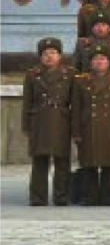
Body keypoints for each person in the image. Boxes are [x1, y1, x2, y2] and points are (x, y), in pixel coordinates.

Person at [71, 50, 110, 206]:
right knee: (88, 162)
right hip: (88, 125)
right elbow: (76, 107)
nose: (99, 62)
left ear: (109, 62)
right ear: (90, 63)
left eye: (103, 59)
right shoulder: (81, 81)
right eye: (95, 59)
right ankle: (90, 197)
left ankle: (108, 197)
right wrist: (76, 130)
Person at [25, 38, 75, 207]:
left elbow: (74, 102)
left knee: (62, 160)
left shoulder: (69, 74)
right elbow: (27, 102)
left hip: (61, 119)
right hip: (39, 119)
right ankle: (38, 197)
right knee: (39, 161)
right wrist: (27, 125)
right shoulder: (32, 74)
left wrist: (75, 126)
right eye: (45, 54)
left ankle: (61, 196)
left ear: (60, 55)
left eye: (53, 53)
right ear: (40, 56)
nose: (49, 57)